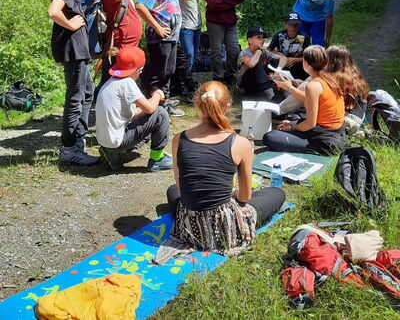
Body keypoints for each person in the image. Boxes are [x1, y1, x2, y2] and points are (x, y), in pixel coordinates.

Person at [153, 81, 285, 264]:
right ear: (227, 106)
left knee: (172, 191)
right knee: (277, 193)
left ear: (197, 104)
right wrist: (233, 194)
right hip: (225, 227)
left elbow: (181, 187)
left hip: (189, 224)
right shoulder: (240, 143)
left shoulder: (179, 139)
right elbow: (245, 197)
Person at [48, 0, 103, 166]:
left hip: (76, 48)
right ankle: (70, 149)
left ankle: (77, 142)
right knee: (76, 97)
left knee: (87, 93)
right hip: (73, 49)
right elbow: (53, 10)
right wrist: (70, 24)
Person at [95, 47, 172, 172]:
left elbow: (134, 113)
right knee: (161, 114)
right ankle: (157, 160)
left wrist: (149, 105)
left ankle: (112, 153)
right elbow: (150, 109)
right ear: (136, 69)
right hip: (117, 142)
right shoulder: (127, 82)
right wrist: (157, 94)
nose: (140, 73)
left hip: (106, 141)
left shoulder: (111, 81)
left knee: (153, 116)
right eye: (140, 70)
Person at [263, 45, 346, 154]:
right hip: (337, 133)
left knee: (270, 137)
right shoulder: (331, 78)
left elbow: (310, 124)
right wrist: (292, 123)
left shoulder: (313, 86)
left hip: (324, 140)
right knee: (295, 117)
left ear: (306, 63)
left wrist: (293, 127)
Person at [136, 0, 184, 117]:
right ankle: (154, 106)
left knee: (169, 70)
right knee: (159, 72)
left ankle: (164, 102)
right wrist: (157, 27)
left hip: (171, 37)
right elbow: (140, 5)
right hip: (160, 38)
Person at [94, 0, 143, 92]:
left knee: (119, 84)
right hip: (117, 51)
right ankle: (99, 101)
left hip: (125, 49)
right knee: (111, 84)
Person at [204, 0, 244, 85]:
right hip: (215, 23)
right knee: (216, 51)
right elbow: (214, 5)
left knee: (234, 50)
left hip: (230, 22)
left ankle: (230, 73)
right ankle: (218, 77)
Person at [326, 45, 369, 132]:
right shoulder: (353, 73)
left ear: (332, 61)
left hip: (348, 121)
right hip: (359, 118)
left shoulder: (336, 77)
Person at [237, 27, 287, 97]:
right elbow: (251, 64)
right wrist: (258, 52)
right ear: (250, 40)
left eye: (263, 38)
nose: (262, 40)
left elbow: (283, 58)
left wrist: (277, 71)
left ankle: (284, 88)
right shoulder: (244, 53)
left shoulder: (263, 51)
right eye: (259, 37)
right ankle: (269, 90)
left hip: (259, 82)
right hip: (246, 84)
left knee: (276, 61)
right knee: (257, 61)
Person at [268, 12, 310, 80]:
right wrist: (279, 55)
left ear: (299, 25)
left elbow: (308, 56)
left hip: (298, 65)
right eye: (290, 24)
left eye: (296, 25)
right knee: (273, 63)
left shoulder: (304, 36)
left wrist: (296, 60)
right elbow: (269, 50)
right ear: (285, 25)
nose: (293, 27)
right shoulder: (279, 35)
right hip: (282, 64)